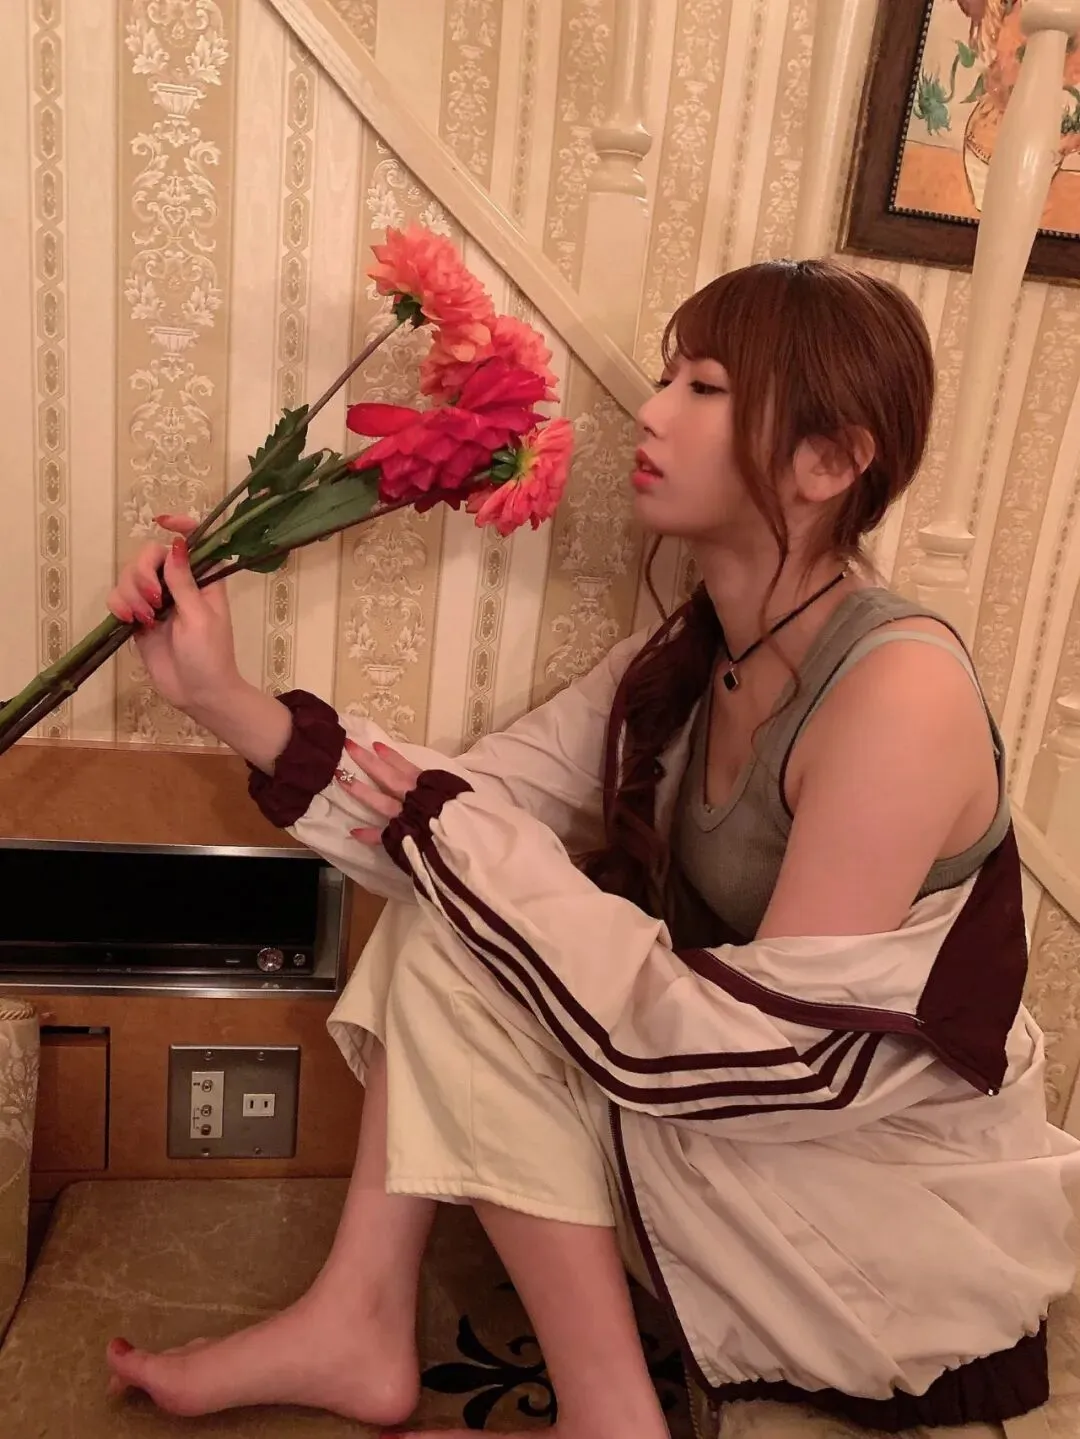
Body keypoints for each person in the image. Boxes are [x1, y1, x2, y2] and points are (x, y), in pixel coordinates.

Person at [103, 259, 1079, 1439]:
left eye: (703, 386)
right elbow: (472, 805)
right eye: (668, 376)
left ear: (828, 462)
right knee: (454, 899)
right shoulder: (691, 657)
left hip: (873, 1193)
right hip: (751, 1124)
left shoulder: (898, 692)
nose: (651, 412)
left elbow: (776, 1062)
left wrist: (462, 849)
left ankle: (606, 1414)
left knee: (471, 909)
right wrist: (223, 696)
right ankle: (358, 1314)